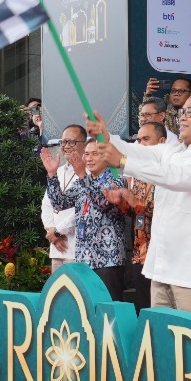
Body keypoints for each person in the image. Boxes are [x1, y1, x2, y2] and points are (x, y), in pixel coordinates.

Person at [91, 90, 191, 315]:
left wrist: (123, 161)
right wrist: (107, 137)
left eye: (190, 112)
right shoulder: (173, 151)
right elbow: (136, 151)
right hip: (162, 268)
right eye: (182, 112)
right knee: (160, 335)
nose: (182, 117)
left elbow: (179, 177)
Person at [42, 139, 130, 300]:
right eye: (87, 154)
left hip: (108, 260)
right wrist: (52, 175)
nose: (89, 158)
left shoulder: (117, 180)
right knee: (87, 308)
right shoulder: (82, 182)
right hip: (83, 259)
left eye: (95, 154)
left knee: (108, 308)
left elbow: (102, 202)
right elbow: (59, 203)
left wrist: (83, 175)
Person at [122, 121, 164, 309]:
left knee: (163, 311)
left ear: (161, 142)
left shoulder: (170, 172)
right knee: (144, 309)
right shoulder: (138, 173)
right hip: (141, 254)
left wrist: (137, 203)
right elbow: (134, 211)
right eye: (138, 140)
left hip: (163, 256)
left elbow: (166, 211)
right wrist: (122, 203)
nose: (140, 144)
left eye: (146, 139)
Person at [42, 126, 85, 269]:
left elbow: (81, 209)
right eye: (63, 142)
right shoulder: (57, 171)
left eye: (71, 142)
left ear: (84, 144)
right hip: (56, 247)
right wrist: (51, 232)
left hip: (77, 248)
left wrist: (58, 231)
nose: (66, 146)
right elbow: (47, 204)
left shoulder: (88, 173)